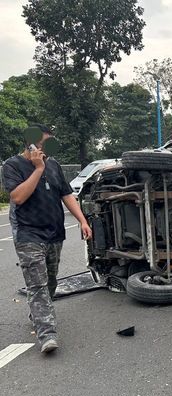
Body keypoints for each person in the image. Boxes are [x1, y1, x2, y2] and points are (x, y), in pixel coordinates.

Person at [2, 124, 92, 353]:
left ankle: (37, 312)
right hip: (28, 234)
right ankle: (47, 334)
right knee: (38, 284)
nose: (47, 149)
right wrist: (38, 169)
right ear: (30, 143)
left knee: (51, 281)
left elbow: (66, 194)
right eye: (43, 144)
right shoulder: (12, 165)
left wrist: (82, 220)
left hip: (54, 232)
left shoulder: (54, 165)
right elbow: (18, 197)